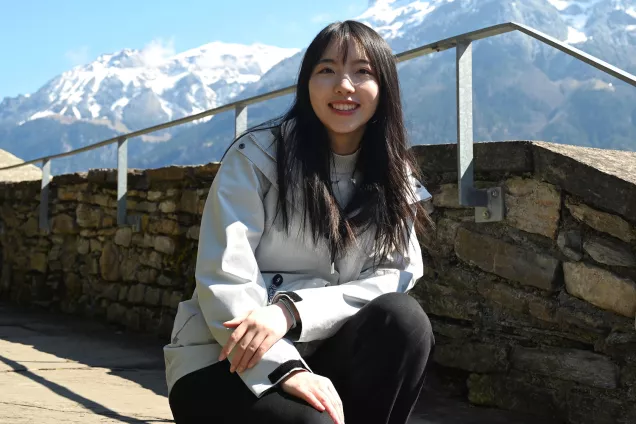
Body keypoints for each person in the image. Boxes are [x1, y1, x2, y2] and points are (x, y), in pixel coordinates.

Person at [164, 19, 436, 424]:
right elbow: (224, 278)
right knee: (316, 422)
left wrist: (290, 313)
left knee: (405, 319)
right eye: (327, 70)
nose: (344, 85)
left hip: (321, 347)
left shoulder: (394, 178)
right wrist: (284, 367)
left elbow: (396, 274)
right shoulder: (256, 158)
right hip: (222, 357)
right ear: (306, 83)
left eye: (363, 72)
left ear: (384, 89)